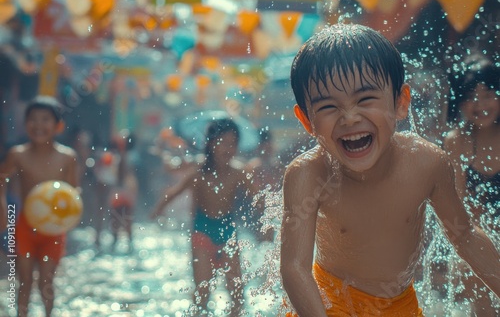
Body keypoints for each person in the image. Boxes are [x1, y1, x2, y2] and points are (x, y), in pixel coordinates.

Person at [280, 24, 500, 316]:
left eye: (365, 99)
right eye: (329, 107)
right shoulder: (308, 175)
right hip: (330, 303)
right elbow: (295, 268)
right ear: (307, 121)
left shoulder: (427, 163)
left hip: (401, 306)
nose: (349, 117)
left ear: (400, 102)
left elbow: (465, 236)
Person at [150, 118, 256, 316]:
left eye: (233, 143)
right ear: (209, 144)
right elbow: (175, 192)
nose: (228, 148)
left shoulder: (238, 173)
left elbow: (259, 198)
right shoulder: (199, 172)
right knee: (202, 293)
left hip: (228, 234)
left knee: (237, 294)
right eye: (222, 142)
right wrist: (157, 210)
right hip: (202, 234)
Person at [0, 95, 79, 317]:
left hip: (54, 230)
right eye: (33, 119)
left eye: (45, 119)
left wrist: (71, 218)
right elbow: (2, 180)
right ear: (26, 125)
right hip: (25, 227)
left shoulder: (67, 157)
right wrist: (3, 207)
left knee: (46, 281)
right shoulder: (18, 154)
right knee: (24, 281)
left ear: (58, 126)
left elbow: (74, 193)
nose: (39, 125)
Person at [443, 55, 500, 316]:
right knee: (465, 265)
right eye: (471, 97)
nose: (481, 104)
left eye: (488, 94)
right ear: (459, 102)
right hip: (482, 237)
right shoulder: (457, 142)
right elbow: (458, 207)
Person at [109, 130, 139, 252]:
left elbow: (121, 174)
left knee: (117, 215)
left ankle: (117, 241)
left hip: (123, 189)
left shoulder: (122, 156)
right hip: (128, 189)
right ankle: (128, 242)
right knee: (126, 216)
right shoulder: (131, 156)